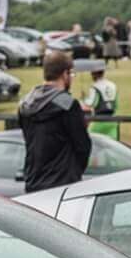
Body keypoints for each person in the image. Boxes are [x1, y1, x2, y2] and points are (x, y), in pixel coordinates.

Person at [18, 51, 91, 192]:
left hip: (34, 179)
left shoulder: (25, 104)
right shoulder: (67, 105)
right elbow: (82, 146)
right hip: (62, 183)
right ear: (65, 74)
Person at [83, 65, 119, 139]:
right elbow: (116, 104)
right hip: (112, 119)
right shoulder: (112, 85)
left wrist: (84, 99)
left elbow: (92, 103)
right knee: (112, 143)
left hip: (99, 119)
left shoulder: (95, 86)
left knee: (91, 140)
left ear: (94, 74)